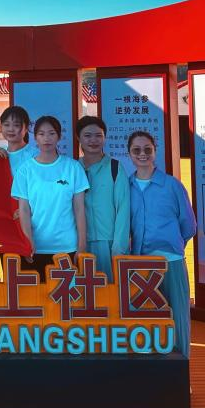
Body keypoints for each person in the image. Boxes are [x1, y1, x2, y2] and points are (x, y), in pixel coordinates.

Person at [126, 130, 196, 358]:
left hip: (171, 261)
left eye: (147, 149)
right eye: (136, 150)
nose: (142, 154)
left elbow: (188, 225)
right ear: (129, 154)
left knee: (178, 316)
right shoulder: (126, 186)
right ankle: (150, 369)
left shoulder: (172, 185)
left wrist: (173, 245)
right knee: (145, 316)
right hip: (140, 263)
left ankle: (182, 365)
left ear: (155, 151)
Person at [11, 116, 89, 281]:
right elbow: (24, 210)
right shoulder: (25, 170)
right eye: (41, 134)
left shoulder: (73, 167)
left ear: (59, 136)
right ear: (35, 137)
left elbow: (79, 209)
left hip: (67, 247)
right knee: (35, 295)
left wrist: (82, 245)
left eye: (51, 133)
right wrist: (28, 241)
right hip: (35, 248)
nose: (46, 138)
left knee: (65, 295)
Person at [76, 115, 130, 283]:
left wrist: (118, 247)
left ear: (105, 137)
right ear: (78, 138)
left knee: (110, 291)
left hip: (109, 244)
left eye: (98, 135)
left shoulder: (115, 167)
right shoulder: (72, 168)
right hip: (79, 244)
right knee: (83, 293)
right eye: (87, 135)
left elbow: (123, 209)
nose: (93, 140)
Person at [0, 105, 37, 175]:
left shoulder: (35, 155)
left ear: (26, 128)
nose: (11, 129)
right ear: (0, 127)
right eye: (6, 125)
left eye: (16, 125)